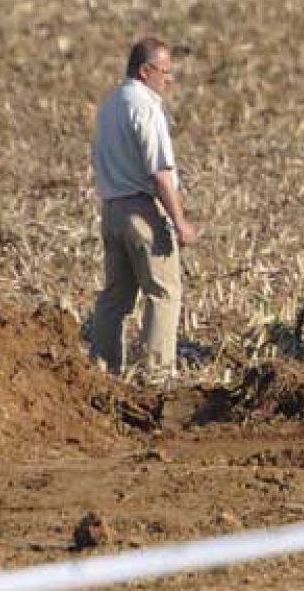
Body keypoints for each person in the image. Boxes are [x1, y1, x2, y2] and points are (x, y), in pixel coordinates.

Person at [90, 36, 199, 383]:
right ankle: (157, 376)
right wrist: (180, 221)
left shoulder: (110, 103)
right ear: (144, 70)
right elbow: (160, 172)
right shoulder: (145, 107)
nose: (169, 79)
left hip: (111, 212)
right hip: (140, 213)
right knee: (164, 293)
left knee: (114, 298)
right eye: (164, 71)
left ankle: (101, 371)